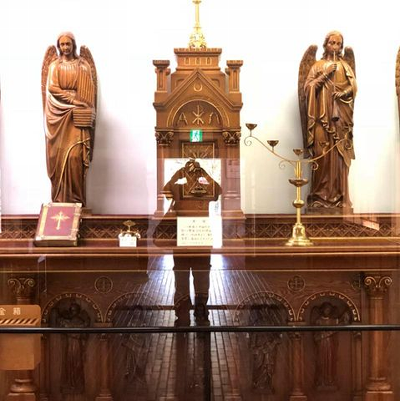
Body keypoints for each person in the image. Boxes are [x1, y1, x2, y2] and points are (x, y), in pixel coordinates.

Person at [162, 159, 222, 326]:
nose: (193, 175)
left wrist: (200, 174)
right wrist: (189, 174)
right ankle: (190, 311)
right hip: (188, 235)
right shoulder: (186, 184)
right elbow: (166, 190)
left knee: (194, 273)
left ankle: (193, 311)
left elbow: (218, 191)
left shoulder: (198, 185)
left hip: (195, 235)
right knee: (191, 273)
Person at [303, 31, 357, 210]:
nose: (334, 46)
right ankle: (319, 196)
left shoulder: (344, 66)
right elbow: (308, 89)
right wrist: (325, 75)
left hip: (340, 119)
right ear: (325, 45)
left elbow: (354, 88)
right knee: (321, 154)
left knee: (339, 157)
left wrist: (343, 93)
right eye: (331, 43)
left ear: (341, 47)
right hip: (320, 119)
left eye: (338, 44)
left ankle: (341, 198)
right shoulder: (317, 66)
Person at [43, 32, 96, 206]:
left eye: (68, 44)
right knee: (57, 156)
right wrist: (73, 101)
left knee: (75, 157)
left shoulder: (82, 65)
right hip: (58, 113)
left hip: (77, 116)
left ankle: (77, 200)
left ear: (73, 45)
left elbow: (88, 91)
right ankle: (59, 199)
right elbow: (53, 88)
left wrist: (84, 104)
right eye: (62, 45)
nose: (65, 48)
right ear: (59, 47)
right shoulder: (55, 66)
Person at [58, 302, 90, 398]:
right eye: (71, 310)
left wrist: (73, 332)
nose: (73, 312)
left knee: (77, 364)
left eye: (75, 310)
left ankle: (77, 383)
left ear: (78, 311)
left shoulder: (79, 321)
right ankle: (70, 383)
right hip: (69, 345)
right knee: (69, 364)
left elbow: (83, 335)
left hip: (77, 345)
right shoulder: (68, 321)